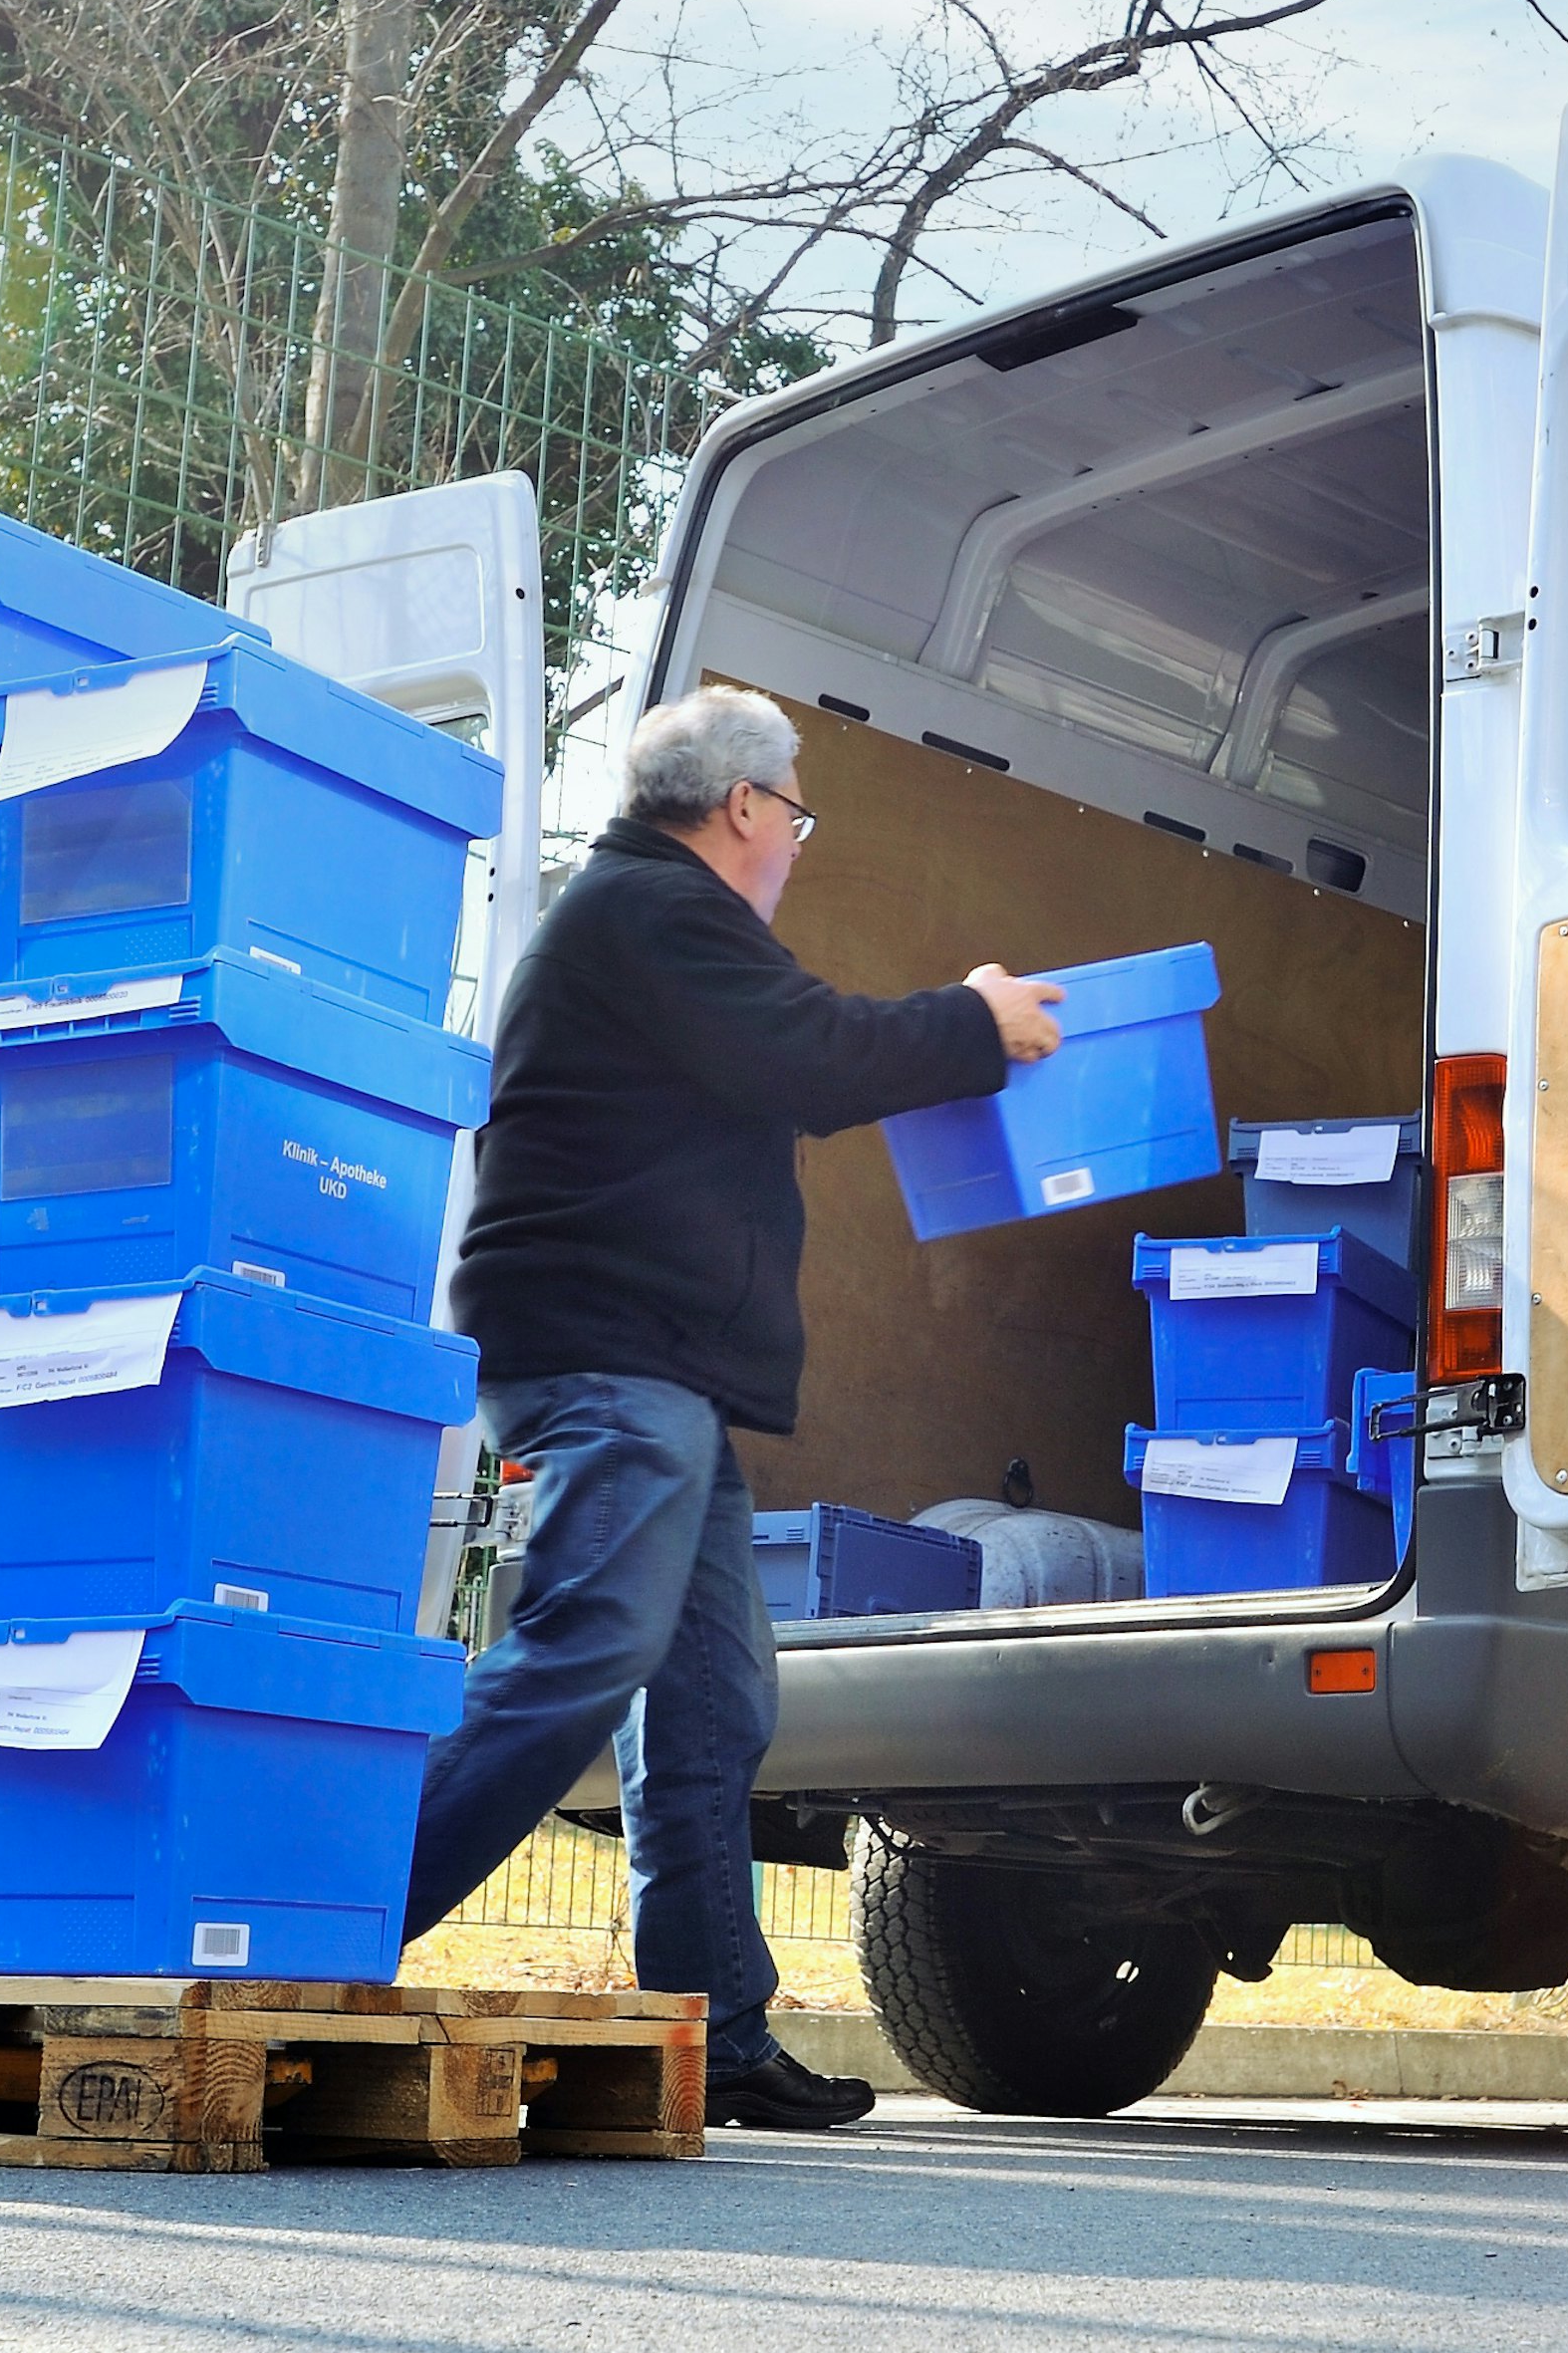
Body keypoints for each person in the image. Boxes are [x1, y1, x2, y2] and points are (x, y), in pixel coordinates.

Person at [404, 686, 1064, 2131]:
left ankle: (713, 2028)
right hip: (611, 1362)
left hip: (659, 1374)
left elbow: (781, 1054)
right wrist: (977, 1021)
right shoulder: (656, 910)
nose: (794, 849)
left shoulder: (639, 919)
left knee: (709, 1704)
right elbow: (815, 1054)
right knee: (586, 1650)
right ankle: (317, 1919)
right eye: (797, 818)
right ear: (746, 806)